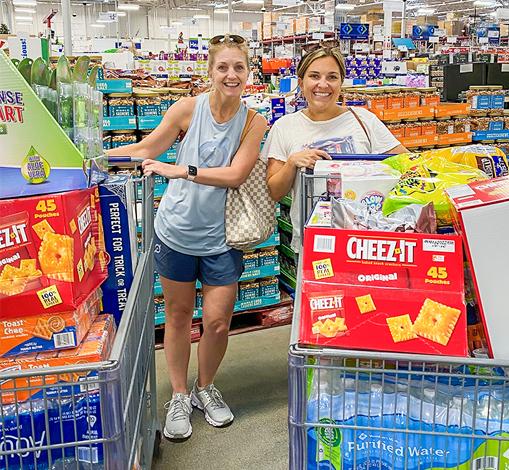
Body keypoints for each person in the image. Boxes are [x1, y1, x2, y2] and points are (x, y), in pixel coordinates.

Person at [108, 34, 268, 441]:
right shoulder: (187, 109)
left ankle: (204, 388)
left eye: (239, 67)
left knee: (217, 322)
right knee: (178, 317)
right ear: (210, 71)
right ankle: (179, 394)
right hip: (176, 231)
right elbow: (147, 147)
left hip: (222, 239)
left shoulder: (254, 122)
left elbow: (235, 176)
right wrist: (93, 155)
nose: (231, 75)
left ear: (249, 71)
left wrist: (183, 170)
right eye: (223, 67)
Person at [263, 46, 408, 252]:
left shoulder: (365, 120)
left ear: (341, 83)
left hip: (366, 241)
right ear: (302, 82)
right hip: (312, 242)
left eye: (332, 77)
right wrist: (292, 163)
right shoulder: (285, 126)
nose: (323, 84)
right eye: (314, 76)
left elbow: (406, 164)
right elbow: (275, 192)